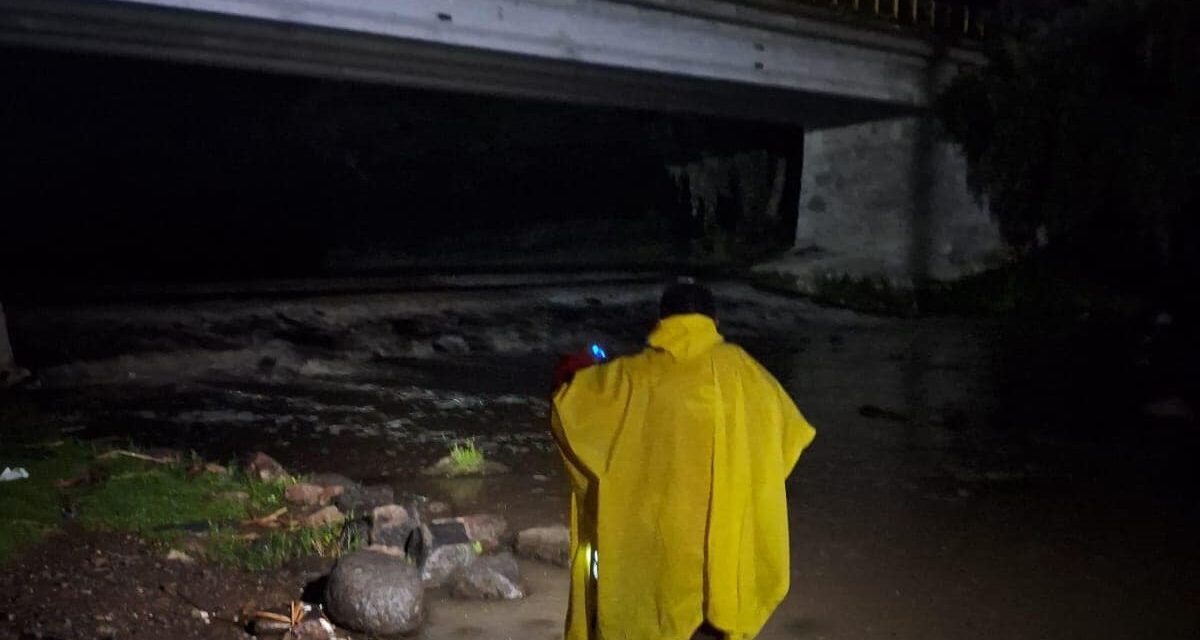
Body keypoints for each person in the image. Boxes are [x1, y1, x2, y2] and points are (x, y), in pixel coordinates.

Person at [551, 280, 816, 640]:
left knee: (649, 616)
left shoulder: (630, 376)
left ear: (663, 319)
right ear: (714, 320)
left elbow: (569, 414)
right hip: (717, 551)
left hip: (652, 543)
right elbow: (788, 436)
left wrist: (574, 374)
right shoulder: (743, 371)